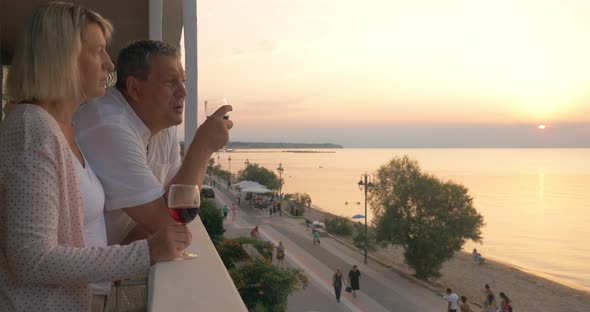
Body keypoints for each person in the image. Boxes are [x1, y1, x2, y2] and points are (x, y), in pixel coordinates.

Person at [0, 3, 190, 311]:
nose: (109, 64)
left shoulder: (64, 127)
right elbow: (31, 258)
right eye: (98, 51)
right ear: (63, 59)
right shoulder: (31, 128)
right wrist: (146, 253)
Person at [74, 39, 232, 246]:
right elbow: (166, 223)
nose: (183, 92)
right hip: (79, 270)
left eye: (182, 82)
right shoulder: (108, 125)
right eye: (170, 82)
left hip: (112, 262)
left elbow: (176, 200)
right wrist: (203, 147)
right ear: (135, 89)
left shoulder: (163, 124)